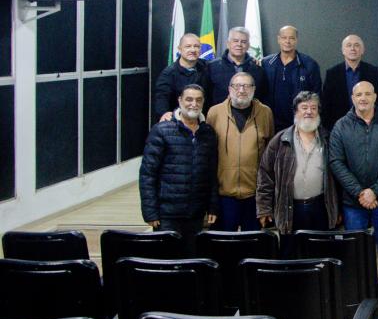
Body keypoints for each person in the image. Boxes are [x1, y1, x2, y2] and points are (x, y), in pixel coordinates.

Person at [256, 91, 339, 257]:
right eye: (304, 107)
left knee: (320, 254)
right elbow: (265, 175)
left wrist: (337, 210)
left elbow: (337, 176)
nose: (309, 111)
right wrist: (264, 209)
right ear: (296, 111)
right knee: (290, 254)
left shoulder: (328, 139)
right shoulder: (280, 140)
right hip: (290, 207)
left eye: (313, 108)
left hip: (320, 206)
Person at [329, 81, 378, 268]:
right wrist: (360, 192)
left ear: (375, 97)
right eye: (359, 95)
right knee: (356, 254)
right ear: (352, 98)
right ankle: (362, 296)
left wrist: (375, 192)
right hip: (353, 203)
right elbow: (336, 162)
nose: (363, 98)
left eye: (367, 94)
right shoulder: (340, 126)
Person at [139, 84, 218, 248]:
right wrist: (150, 212)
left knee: (191, 262)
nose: (193, 104)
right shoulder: (161, 130)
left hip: (196, 213)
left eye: (198, 100)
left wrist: (212, 206)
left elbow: (212, 174)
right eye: (189, 99)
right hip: (167, 214)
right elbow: (148, 174)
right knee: (168, 261)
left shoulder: (208, 133)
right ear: (180, 100)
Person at [207, 72, 275, 231]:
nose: (242, 90)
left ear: (254, 89)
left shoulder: (265, 113)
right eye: (237, 86)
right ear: (229, 89)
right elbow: (208, 154)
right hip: (224, 194)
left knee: (252, 246)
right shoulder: (214, 113)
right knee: (223, 246)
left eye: (247, 86)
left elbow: (270, 153)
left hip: (254, 194)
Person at [261, 26, 322, 134]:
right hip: (270, 124)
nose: (287, 41)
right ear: (278, 39)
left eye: (291, 38)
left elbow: (316, 96)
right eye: (284, 38)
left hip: (299, 125)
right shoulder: (266, 64)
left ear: (296, 40)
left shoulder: (309, 65)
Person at [322, 34, 378, 131]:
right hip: (340, 128)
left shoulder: (373, 72)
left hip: (368, 127)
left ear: (362, 50)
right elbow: (326, 105)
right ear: (343, 50)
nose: (353, 48)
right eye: (349, 45)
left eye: (356, 45)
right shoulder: (332, 73)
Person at [153, 33, 211, 121]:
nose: (192, 50)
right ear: (179, 49)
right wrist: (164, 113)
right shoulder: (168, 74)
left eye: (196, 46)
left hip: (204, 120)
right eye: (188, 46)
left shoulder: (208, 67)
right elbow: (162, 98)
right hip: (180, 121)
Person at [208, 27, 267, 107]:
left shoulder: (257, 69)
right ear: (228, 44)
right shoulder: (212, 67)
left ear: (248, 45)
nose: (239, 44)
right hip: (220, 116)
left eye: (243, 42)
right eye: (235, 41)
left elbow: (262, 96)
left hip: (251, 116)